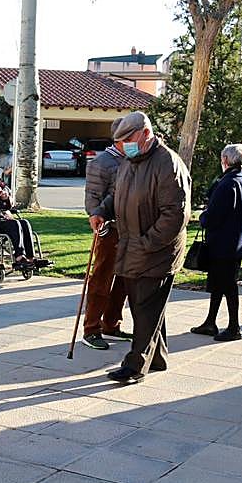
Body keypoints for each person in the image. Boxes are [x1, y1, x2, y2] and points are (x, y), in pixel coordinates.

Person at [92, 111, 191, 384]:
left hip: (156, 250)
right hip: (132, 246)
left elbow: (175, 215)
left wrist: (147, 243)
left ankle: (135, 364)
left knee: (146, 306)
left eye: (128, 139)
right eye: (120, 142)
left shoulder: (167, 163)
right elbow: (118, 194)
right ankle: (157, 356)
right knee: (143, 306)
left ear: (146, 134)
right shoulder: (130, 161)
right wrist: (102, 210)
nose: (124, 146)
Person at [192, 144, 242, 342]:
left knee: (228, 285)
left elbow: (214, 216)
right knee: (219, 284)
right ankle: (210, 321)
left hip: (223, 243)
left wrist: (203, 217)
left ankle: (234, 327)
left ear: (225, 160)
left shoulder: (227, 184)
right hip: (236, 241)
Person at [82, 123, 131, 351]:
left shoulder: (133, 160)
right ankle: (91, 328)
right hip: (109, 229)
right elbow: (92, 198)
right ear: (121, 138)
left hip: (131, 230)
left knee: (123, 279)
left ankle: (112, 323)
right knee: (102, 278)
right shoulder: (101, 163)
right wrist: (97, 218)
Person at [0, 166, 51, 271]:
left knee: (24, 223)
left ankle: (30, 258)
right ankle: (19, 257)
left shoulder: (0, 186)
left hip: (3, 217)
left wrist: (5, 198)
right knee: (15, 224)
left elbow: (8, 206)